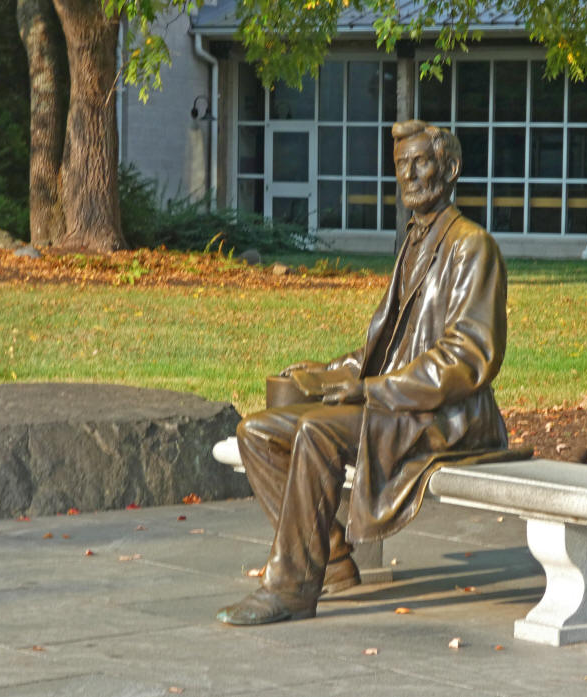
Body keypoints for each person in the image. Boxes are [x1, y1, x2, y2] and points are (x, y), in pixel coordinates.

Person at [217, 119, 511, 625]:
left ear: (450, 168)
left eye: (421, 162)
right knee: (257, 431)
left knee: (316, 431)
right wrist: (326, 375)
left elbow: (469, 358)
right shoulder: (414, 245)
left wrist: (371, 390)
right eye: (402, 166)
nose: (410, 176)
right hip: (393, 401)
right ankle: (328, 557)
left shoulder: (472, 246)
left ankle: (289, 587)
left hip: (441, 415)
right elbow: (386, 347)